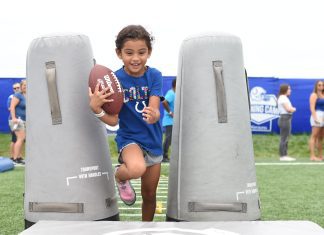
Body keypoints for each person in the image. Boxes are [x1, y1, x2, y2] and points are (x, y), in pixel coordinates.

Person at [89, 25, 163, 221]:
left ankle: (146, 229)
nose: (136, 58)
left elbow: (154, 106)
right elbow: (113, 120)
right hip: (130, 139)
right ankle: (120, 176)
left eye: (141, 52)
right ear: (119, 53)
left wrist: (153, 114)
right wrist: (97, 109)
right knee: (137, 169)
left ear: (149, 52)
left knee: (149, 195)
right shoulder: (114, 80)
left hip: (154, 141)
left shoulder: (154, 75)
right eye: (129, 53)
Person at [9, 80, 27, 164]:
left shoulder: (26, 95)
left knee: (21, 139)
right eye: (24, 85)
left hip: (23, 120)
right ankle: (15, 159)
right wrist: (14, 118)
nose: (25, 87)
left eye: (27, 85)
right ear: (21, 86)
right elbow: (12, 107)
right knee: (20, 138)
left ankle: (19, 157)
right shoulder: (17, 95)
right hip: (17, 120)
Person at [277, 84, 296, 161]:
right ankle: (283, 156)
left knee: (285, 137)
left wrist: (292, 109)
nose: (290, 90)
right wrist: (293, 109)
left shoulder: (284, 98)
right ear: (284, 90)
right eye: (289, 89)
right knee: (284, 138)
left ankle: (285, 155)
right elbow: (289, 109)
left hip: (286, 118)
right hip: (285, 118)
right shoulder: (283, 98)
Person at [308, 80, 324, 161]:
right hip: (317, 115)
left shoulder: (323, 95)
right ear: (316, 86)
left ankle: (321, 155)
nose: (321, 87)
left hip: (323, 117)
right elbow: (312, 108)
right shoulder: (314, 95)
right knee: (314, 136)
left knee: (321, 138)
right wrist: (316, 119)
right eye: (319, 85)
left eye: (322, 85)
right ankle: (312, 156)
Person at [161, 78, 176, 162]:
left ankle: (166, 155)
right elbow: (164, 102)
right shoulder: (171, 93)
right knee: (168, 138)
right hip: (169, 121)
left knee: (171, 139)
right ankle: (163, 156)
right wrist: (170, 112)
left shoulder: (176, 93)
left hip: (174, 121)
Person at [7, 83, 21, 162]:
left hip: (21, 120)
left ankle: (18, 156)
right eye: (15, 88)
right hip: (14, 120)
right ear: (13, 89)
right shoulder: (11, 97)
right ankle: (12, 157)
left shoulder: (23, 96)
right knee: (14, 139)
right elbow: (9, 108)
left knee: (20, 139)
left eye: (18, 87)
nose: (16, 89)